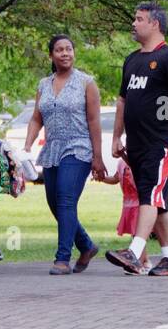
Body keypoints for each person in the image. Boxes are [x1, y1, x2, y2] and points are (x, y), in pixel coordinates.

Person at [106, 2, 168, 277]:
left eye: (139, 19)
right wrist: (117, 136)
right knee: (158, 201)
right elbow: (122, 101)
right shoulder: (132, 60)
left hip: (160, 142)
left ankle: (134, 251)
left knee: (150, 196)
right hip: (136, 144)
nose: (134, 23)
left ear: (154, 24)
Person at [23, 34, 107, 275]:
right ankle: (87, 246)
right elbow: (37, 118)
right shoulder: (43, 84)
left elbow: (94, 121)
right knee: (54, 203)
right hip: (52, 148)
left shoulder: (86, 83)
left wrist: (97, 157)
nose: (65, 53)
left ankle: (62, 258)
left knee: (66, 199)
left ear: (74, 53)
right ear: (51, 55)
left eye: (69, 49)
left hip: (78, 147)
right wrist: (27, 146)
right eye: (59, 50)